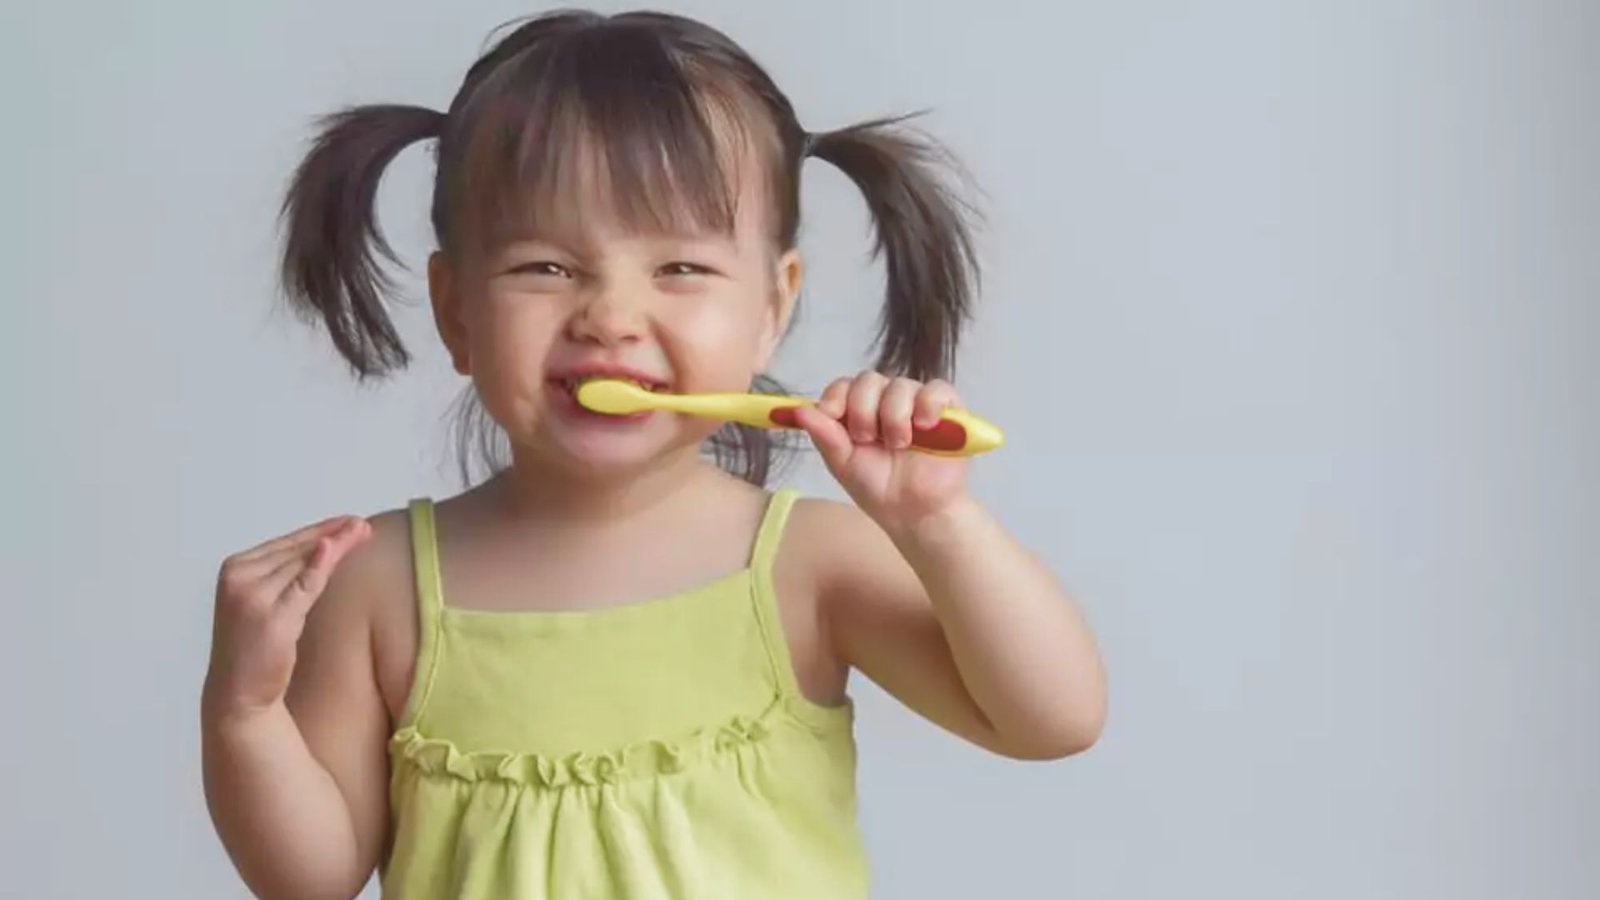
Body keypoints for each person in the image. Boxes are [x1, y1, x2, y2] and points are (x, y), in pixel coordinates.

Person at [201, 9, 1106, 899]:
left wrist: (937, 522)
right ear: (455, 311)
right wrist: (243, 712)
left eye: (680, 268)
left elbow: (1052, 720)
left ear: (771, 306)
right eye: (544, 268)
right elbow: (308, 879)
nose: (609, 318)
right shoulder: (379, 586)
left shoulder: (806, 565)